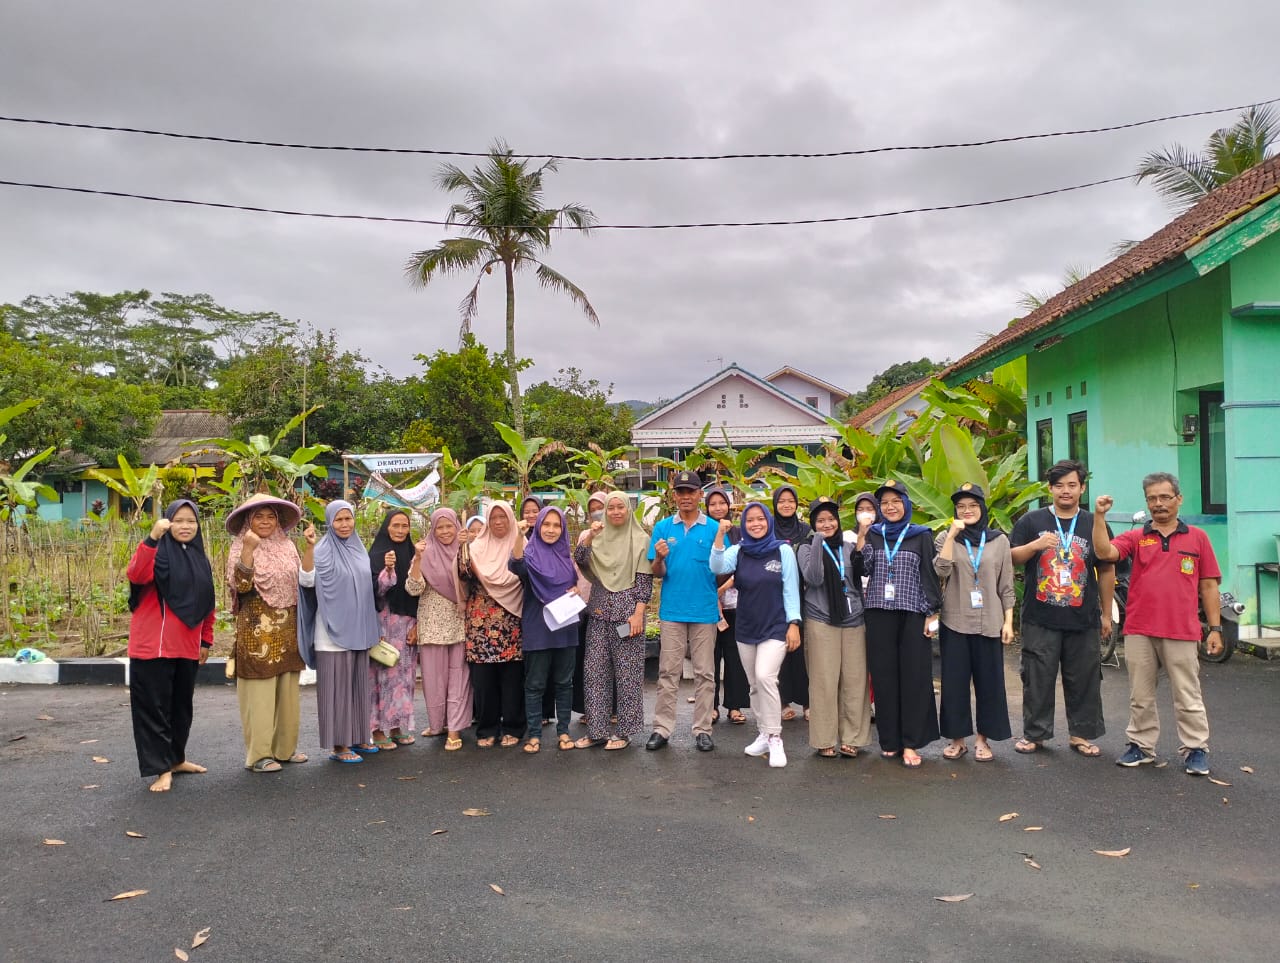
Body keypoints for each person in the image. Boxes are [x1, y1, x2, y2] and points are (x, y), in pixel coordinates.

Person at [1092, 473, 1222, 775]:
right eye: (1152, 498)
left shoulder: (1198, 538)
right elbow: (1104, 552)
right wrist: (1100, 516)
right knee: (1140, 694)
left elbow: (1209, 587)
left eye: (1165, 497)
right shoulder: (1137, 537)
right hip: (1139, 628)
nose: (1159, 503)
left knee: (1188, 694)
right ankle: (1141, 746)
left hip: (1181, 629)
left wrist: (1215, 629)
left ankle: (1196, 749)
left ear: (1178, 499)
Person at [1009, 459, 1113, 757]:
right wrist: (1036, 546)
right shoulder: (1031, 521)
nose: (1065, 491)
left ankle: (1081, 734)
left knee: (1085, 677)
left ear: (1082, 488)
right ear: (1050, 489)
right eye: (1059, 486)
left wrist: (1106, 614)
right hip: (1040, 616)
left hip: (1083, 617)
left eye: (1072, 485)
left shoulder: (1094, 522)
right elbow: (1012, 557)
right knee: (1036, 676)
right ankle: (1035, 734)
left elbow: (1106, 569)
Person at [125, 500, 216, 792]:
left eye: (191, 521)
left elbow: (207, 602)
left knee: (180, 709)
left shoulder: (200, 559)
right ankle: (161, 768)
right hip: (153, 647)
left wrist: (206, 639)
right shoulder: (157, 555)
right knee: (154, 711)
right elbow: (136, 574)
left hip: (187, 647)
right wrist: (152, 538)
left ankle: (176, 759)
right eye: (178, 521)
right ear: (168, 523)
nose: (186, 526)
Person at [710, 502, 802, 767]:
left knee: (765, 677)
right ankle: (763, 732)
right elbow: (716, 567)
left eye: (760, 519)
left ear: (768, 521)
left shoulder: (782, 549)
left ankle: (775, 738)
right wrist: (719, 535)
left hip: (775, 625)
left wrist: (793, 623)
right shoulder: (739, 551)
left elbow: (791, 589)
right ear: (744, 525)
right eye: (750, 520)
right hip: (746, 626)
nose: (755, 524)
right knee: (754, 683)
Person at [225, 493, 308, 774]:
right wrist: (249, 549)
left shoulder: (287, 546)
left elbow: (303, 581)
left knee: (287, 692)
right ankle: (259, 755)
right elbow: (242, 585)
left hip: (287, 630)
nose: (265, 521)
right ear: (248, 520)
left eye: (270, 516)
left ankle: (285, 749)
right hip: (256, 632)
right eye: (258, 516)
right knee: (259, 695)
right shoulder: (240, 546)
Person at [860, 480, 941, 767]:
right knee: (883, 678)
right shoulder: (874, 535)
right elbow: (864, 568)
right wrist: (862, 535)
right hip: (879, 612)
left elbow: (930, 576)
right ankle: (890, 741)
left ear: (906, 504)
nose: (890, 507)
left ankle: (910, 743)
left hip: (913, 613)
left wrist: (932, 613)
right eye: (884, 503)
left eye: (896, 501)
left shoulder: (921, 535)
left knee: (914, 678)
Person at [933, 484, 1016, 762]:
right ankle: (958, 740)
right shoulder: (947, 537)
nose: (967, 511)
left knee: (989, 683)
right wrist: (952, 535)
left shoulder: (999, 541)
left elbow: (1006, 585)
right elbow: (941, 569)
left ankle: (983, 739)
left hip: (990, 621)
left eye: (972, 505)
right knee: (954, 683)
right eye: (961, 507)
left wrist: (1008, 621)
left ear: (982, 508)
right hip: (955, 621)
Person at [298, 500, 380, 764]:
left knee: (356, 687)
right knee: (337, 691)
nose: (344, 524)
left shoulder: (359, 550)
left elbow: (366, 591)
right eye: (339, 520)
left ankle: (356, 737)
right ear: (330, 522)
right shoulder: (322, 550)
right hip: (331, 632)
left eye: (348, 519)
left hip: (358, 630)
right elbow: (307, 580)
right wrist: (309, 548)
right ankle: (338, 744)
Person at [645, 470, 720, 752]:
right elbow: (657, 572)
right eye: (681, 492)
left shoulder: (713, 529)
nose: (686, 497)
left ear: (700, 494)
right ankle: (662, 729)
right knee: (667, 672)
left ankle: (702, 729)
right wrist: (660, 557)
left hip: (704, 611)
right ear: (674, 495)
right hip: (672, 611)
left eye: (691, 491)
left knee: (705, 674)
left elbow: (722, 569)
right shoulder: (663, 528)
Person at [575, 491, 654, 749]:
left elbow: (644, 581)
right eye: (611, 508)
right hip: (598, 614)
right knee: (594, 672)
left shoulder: (641, 540)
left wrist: (638, 614)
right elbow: (580, 559)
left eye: (621, 507)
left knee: (627, 674)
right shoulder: (596, 538)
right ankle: (596, 730)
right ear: (605, 511)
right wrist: (590, 537)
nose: (616, 512)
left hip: (628, 616)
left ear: (628, 510)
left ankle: (624, 732)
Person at [797, 496, 871, 758]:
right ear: (813, 523)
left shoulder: (849, 546)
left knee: (855, 681)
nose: (827, 524)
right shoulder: (805, 548)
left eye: (831, 519)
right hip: (821, 619)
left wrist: (863, 536)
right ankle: (825, 738)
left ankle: (853, 737)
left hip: (854, 619)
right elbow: (814, 577)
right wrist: (817, 539)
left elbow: (860, 574)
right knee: (824, 682)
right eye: (820, 520)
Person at [510, 505, 580, 753]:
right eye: (546, 524)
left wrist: (576, 590)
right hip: (538, 626)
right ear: (538, 526)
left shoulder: (566, 557)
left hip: (565, 626)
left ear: (562, 529)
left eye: (556, 525)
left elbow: (575, 584)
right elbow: (516, 565)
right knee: (535, 684)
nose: (551, 530)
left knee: (564, 682)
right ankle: (535, 735)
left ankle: (564, 732)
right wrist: (519, 535)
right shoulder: (530, 552)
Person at [459, 501, 525, 748]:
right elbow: (463, 575)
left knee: (511, 680)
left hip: (512, 622)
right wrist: (461, 549)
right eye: (493, 517)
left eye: (503, 517)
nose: (498, 522)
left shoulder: (520, 544)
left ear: (510, 519)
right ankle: (486, 728)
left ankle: (513, 727)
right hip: (480, 624)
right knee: (484, 681)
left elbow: (527, 575)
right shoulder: (474, 547)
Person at [405, 507, 471, 751]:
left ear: (456, 526)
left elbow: (473, 582)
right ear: (433, 529)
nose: (445, 531)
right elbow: (413, 588)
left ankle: (454, 729)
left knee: (458, 679)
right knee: (433, 680)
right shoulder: (425, 552)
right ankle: (438, 724)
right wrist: (419, 559)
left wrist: (467, 547)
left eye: (449, 526)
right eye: (439, 527)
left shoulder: (465, 550)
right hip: (432, 625)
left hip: (459, 623)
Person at [367, 509, 419, 750]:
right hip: (384, 624)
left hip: (406, 624)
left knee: (404, 677)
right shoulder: (377, 553)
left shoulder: (412, 553)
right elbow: (376, 591)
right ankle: (377, 730)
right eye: (395, 525)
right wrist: (388, 570)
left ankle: (397, 725)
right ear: (387, 526)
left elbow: (419, 592)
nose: (400, 530)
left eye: (404, 526)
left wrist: (417, 624)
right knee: (381, 677)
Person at [706, 486, 748, 725]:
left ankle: (734, 705)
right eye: (713, 504)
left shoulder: (739, 533)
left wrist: (720, 591)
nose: (718, 508)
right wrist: (712, 595)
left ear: (729, 506)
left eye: (722, 503)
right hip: (707, 605)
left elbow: (741, 566)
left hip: (734, 603)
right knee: (710, 657)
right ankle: (710, 706)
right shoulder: (704, 532)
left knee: (734, 656)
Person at [772, 484, 812, 723]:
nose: (786, 505)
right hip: (775, 596)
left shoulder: (806, 530)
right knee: (780, 651)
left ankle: (808, 702)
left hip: (804, 595)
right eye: (781, 501)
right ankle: (783, 701)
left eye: (791, 501)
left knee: (804, 652)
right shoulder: (769, 530)